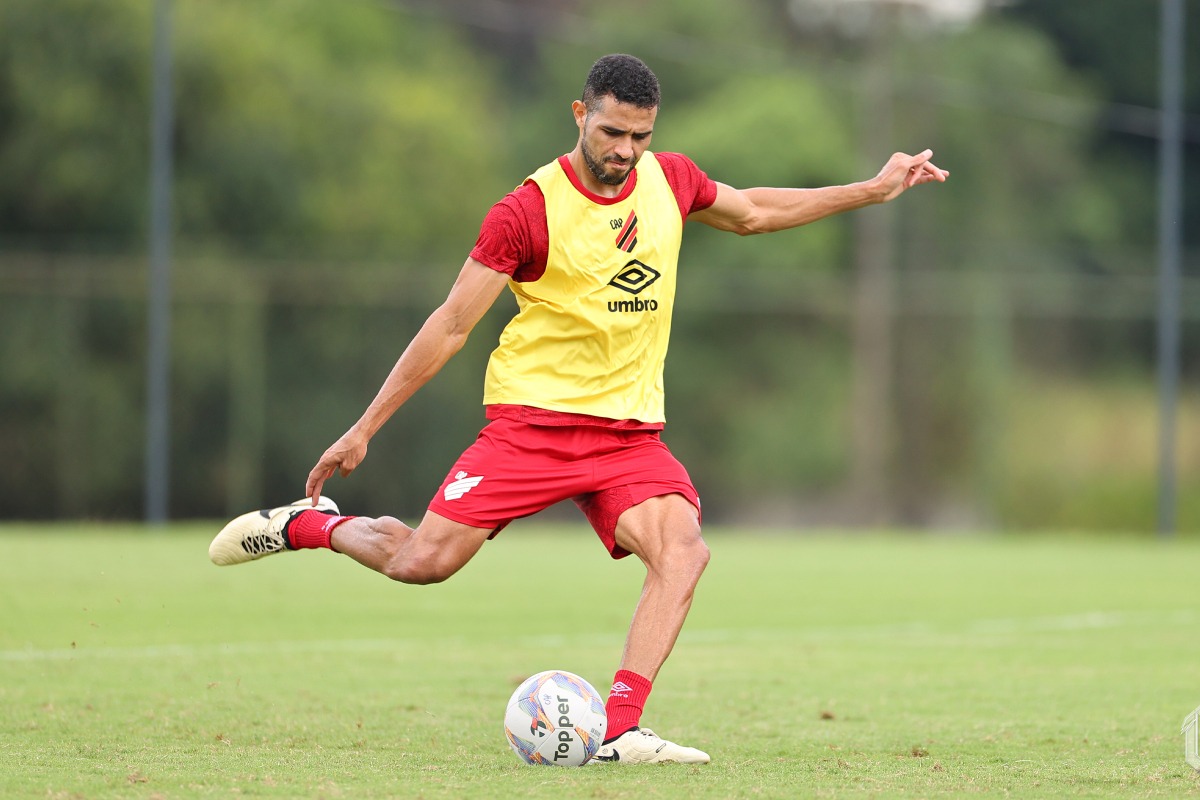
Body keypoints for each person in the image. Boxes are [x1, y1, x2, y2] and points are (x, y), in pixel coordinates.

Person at [209, 53, 948, 765]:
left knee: (683, 551)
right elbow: (451, 325)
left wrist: (871, 189)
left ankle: (621, 729)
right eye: (611, 132)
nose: (626, 150)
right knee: (420, 563)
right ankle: (311, 526)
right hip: (531, 425)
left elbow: (754, 211)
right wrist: (365, 426)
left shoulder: (673, 181)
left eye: (640, 136)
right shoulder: (525, 211)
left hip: (628, 434)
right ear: (579, 114)